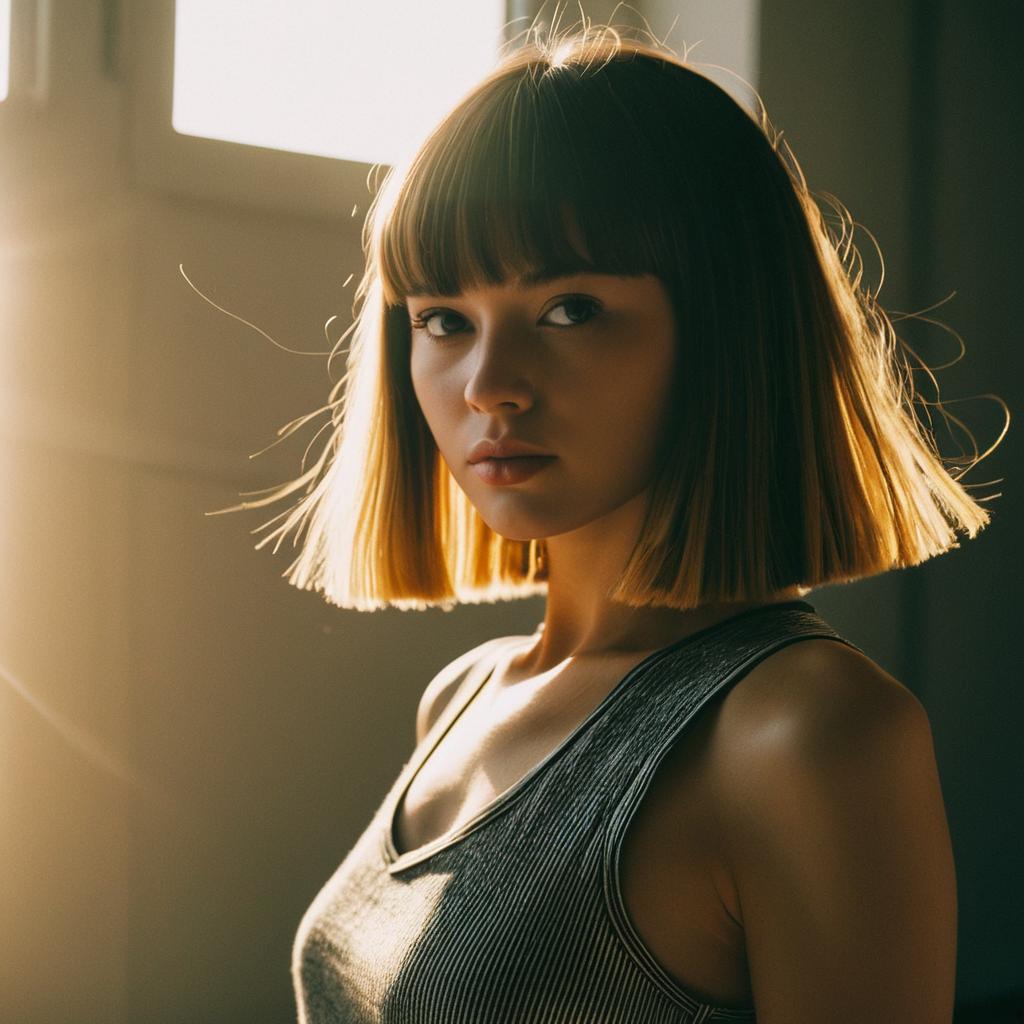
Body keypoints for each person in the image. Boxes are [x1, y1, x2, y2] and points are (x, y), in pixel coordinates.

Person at [218, 18, 995, 1023]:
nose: (489, 385)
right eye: (442, 318)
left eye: (571, 308)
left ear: (728, 327)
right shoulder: (462, 696)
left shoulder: (806, 732)